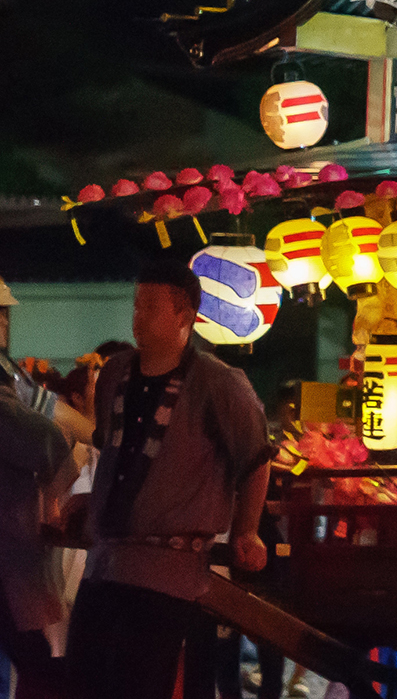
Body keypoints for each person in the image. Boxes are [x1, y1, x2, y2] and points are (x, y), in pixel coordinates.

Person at [66, 261, 275, 699]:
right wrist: (92, 500)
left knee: (138, 686)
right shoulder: (115, 373)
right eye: (136, 305)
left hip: (168, 571)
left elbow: (257, 460)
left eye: (149, 307)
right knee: (84, 684)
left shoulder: (220, 384)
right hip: (104, 563)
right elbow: (111, 452)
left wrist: (247, 530)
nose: (137, 317)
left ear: (184, 315)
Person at [1, 323, 74, 698]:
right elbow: (50, 440)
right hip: (9, 552)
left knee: (30, 657)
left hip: (10, 552)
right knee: (35, 659)